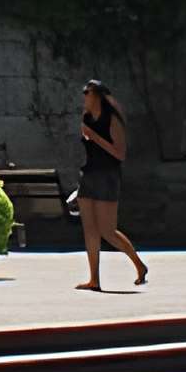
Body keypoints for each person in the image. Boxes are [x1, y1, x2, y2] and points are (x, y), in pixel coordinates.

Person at [74, 77, 149, 292]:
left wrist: (94, 137)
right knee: (90, 230)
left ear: (97, 95)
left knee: (107, 231)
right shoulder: (86, 117)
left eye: (87, 92)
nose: (84, 96)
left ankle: (139, 265)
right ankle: (94, 279)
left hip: (108, 175)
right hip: (89, 174)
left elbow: (120, 153)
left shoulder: (111, 119)